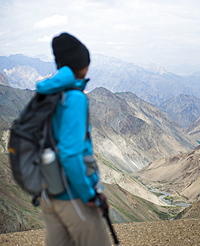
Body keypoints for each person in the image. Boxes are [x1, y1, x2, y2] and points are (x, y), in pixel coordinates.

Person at [36, 33, 111, 246]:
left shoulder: (48, 94)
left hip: (49, 192)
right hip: (72, 195)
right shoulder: (75, 98)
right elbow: (70, 154)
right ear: (81, 65)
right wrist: (89, 194)